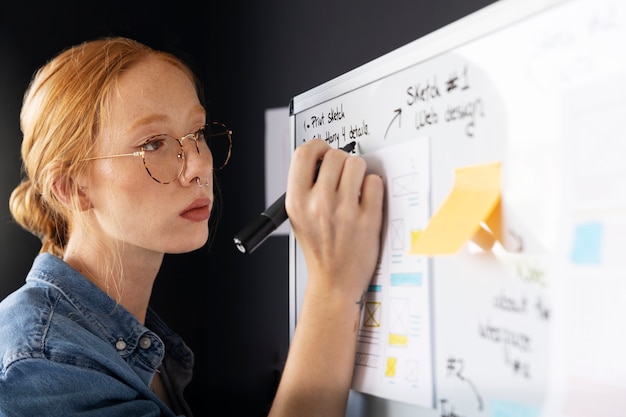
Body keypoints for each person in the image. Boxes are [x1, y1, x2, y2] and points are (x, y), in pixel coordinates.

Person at [0, 36, 384, 417]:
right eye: (153, 143)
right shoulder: (43, 360)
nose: (200, 165)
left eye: (197, 133)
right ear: (71, 188)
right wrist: (333, 286)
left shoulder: (130, 340)